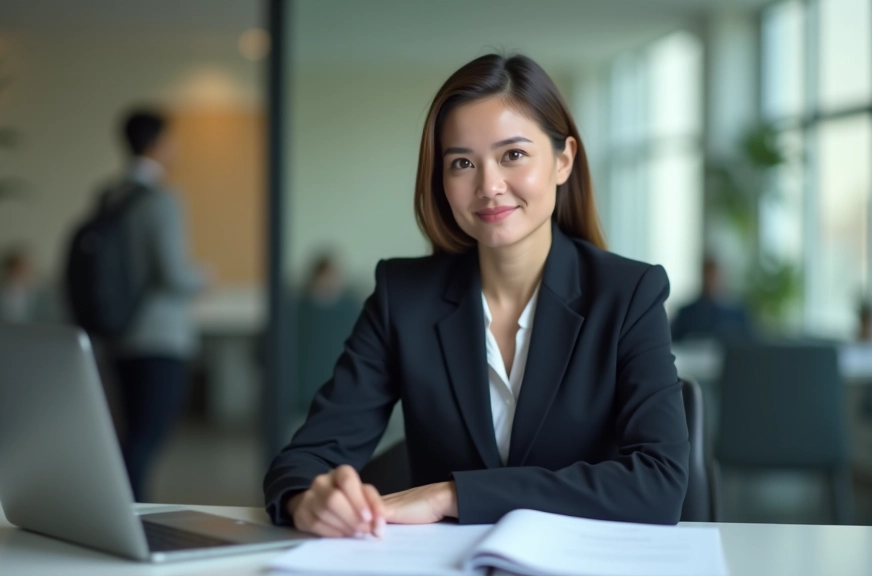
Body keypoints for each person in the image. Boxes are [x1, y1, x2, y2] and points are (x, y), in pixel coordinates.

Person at [263, 53, 689, 538]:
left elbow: (660, 484)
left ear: (563, 160)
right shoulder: (402, 297)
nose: (489, 187)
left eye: (513, 155)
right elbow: (306, 459)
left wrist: (452, 494)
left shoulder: (628, 294)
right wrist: (308, 500)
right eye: (462, 163)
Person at [106, 108, 208, 502]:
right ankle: (127, 513)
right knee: (146, 438)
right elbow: (172, 274)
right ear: (157, 145)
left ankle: (124, 511)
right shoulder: (162, 199)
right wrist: (204, 277)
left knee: (131, 432)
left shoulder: (110, 195)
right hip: (159, 337)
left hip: (118, 333)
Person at [294, 253, 362, 416]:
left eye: (333, 278)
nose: (329, 283)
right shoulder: (298, 312)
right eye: (325, 278)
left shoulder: (350, 310)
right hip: (304, 391)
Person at [670, 256, 754, 342]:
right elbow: (673, 342)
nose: (711, 279)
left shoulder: (736, 313)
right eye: (708, 274)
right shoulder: (686, 314)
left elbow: (749, 343)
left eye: (715, 275)